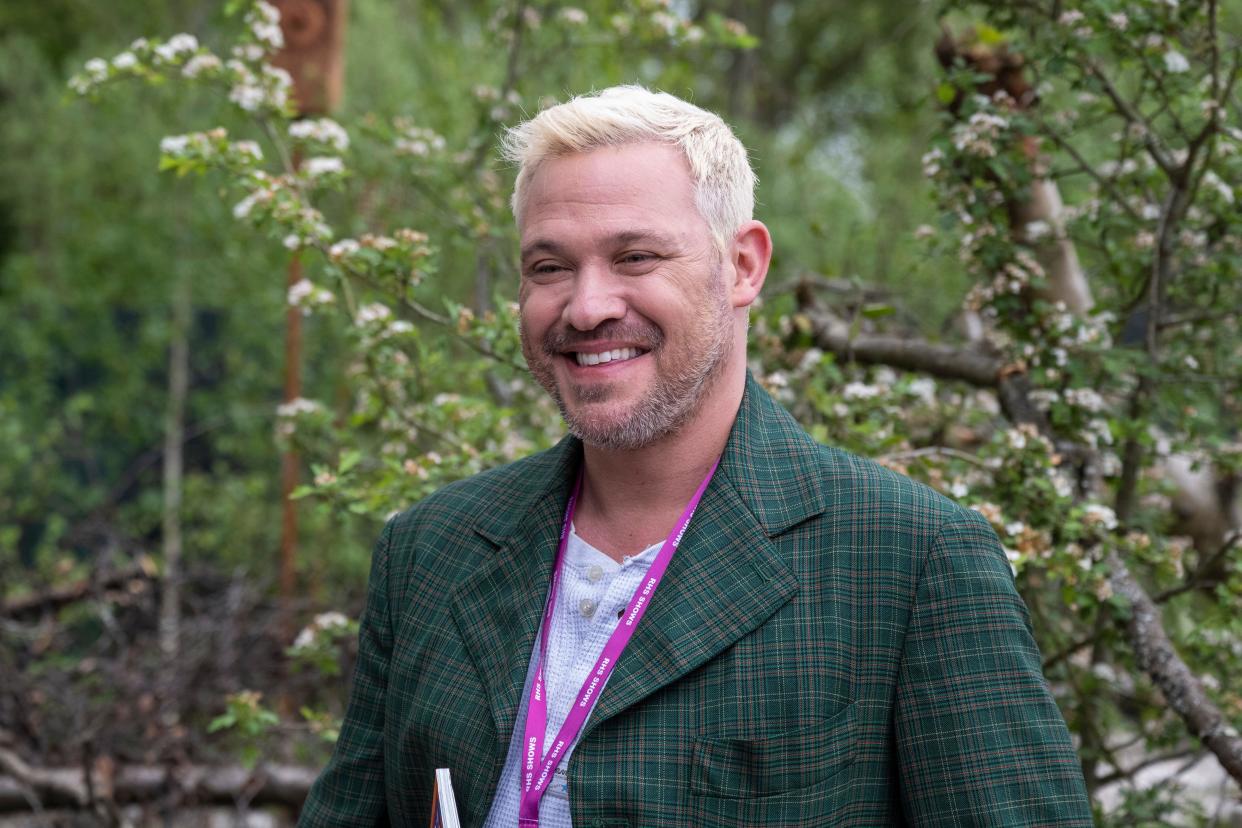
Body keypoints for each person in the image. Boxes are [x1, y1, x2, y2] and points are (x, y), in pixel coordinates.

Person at [298, 86, 1092, 827]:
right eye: (549, 268)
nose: (587, 306)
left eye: (636, 257)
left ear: (742, 265)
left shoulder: (910, 562)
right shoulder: (431, 550)